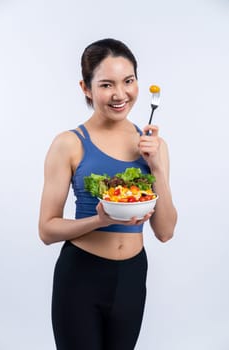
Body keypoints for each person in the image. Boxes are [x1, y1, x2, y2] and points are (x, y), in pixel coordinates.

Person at [39, 38, 177, 350]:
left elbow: (166, 232)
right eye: (106, 84)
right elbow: (47, 230)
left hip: (132, 275)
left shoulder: (154, 146)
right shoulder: (69, 143)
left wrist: (156, 168)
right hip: (81, 276)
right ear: (86, 88)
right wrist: (99, 220)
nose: (120, 94)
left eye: (128, 81)